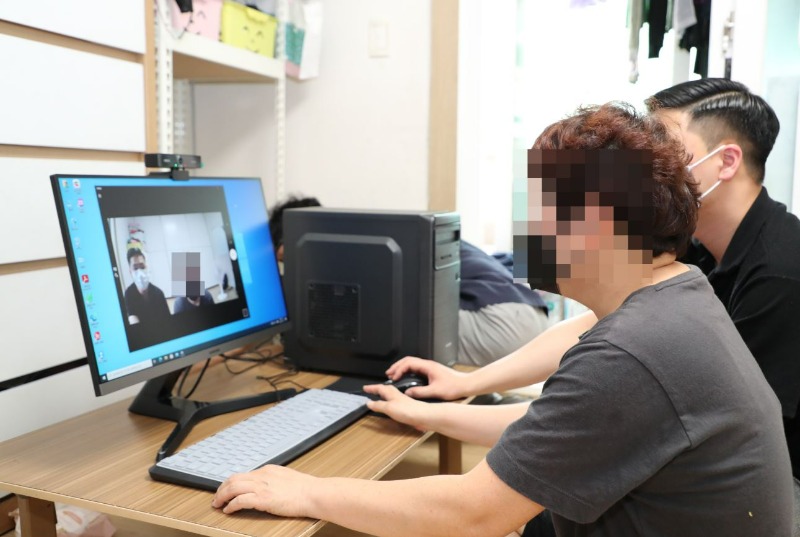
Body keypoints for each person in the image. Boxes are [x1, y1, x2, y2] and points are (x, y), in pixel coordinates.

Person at [212, 103, 792, 536]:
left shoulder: (631, 352)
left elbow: (472, 514)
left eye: (537, 210)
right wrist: (446, 407)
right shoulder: (677, 294)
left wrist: (308, 492)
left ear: (592, 224)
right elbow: (559, 423)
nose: (526, 231)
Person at [268, 196, 551, 366]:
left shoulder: (338, 251)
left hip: (499, 323)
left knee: (375, 331)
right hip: (527, 312)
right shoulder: (372, 236)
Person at [124, 248, 171, 324]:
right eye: (135, 268)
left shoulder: (158, 293)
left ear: (147, 268)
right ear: (130, 272)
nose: (140, 273)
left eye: (142, 267)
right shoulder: (129, 293)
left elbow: (167, 320)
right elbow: (133, 319)